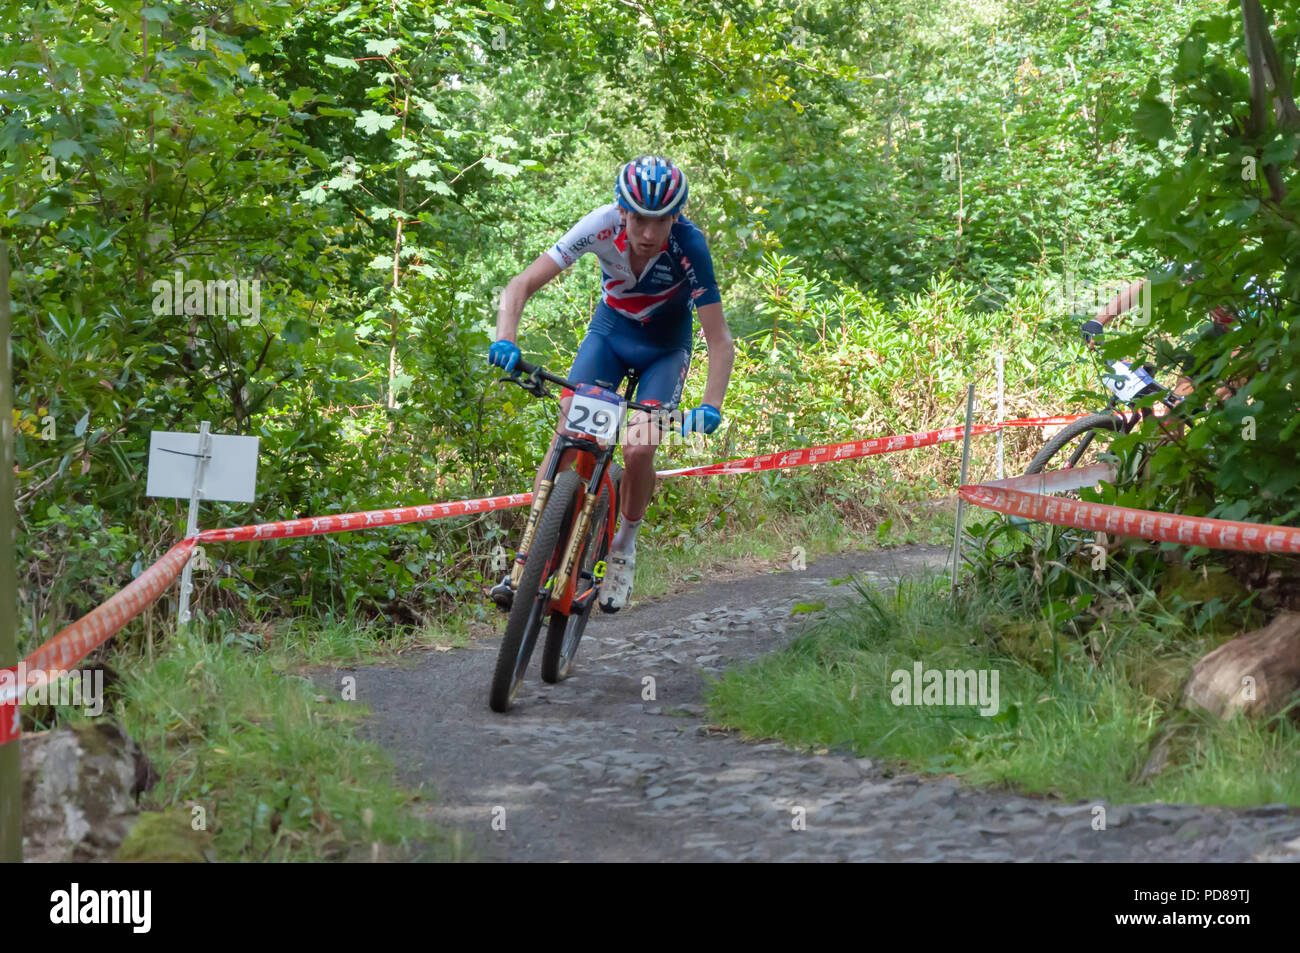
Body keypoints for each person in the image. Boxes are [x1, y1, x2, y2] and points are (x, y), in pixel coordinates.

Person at [487, 155, 735, 612]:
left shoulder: (689, 244)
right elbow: (519, 285)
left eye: (659, 221)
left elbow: (719, 340)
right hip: (610, 335)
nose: (646, 232)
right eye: (639, 218)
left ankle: (624, 546)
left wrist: (711, 404)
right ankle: (528, 557)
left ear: (675, 217)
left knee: (639, 445)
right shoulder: (599, 225)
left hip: (666, 347)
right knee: (569, 433)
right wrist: (506, 340)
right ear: (622, 210)